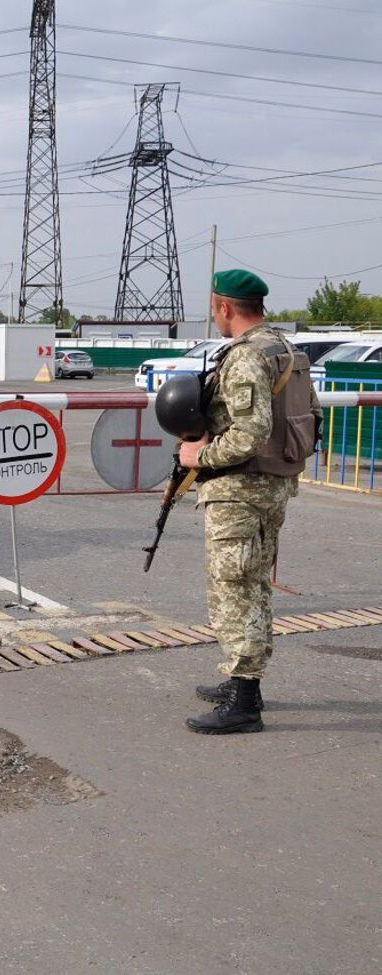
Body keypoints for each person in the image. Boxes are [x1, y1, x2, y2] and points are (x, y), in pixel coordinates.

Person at [178, 270, 320, 734]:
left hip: (241, 489)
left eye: (213, 308)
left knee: (234, 588)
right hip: (272, 485)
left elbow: (249, 433)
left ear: (224, 307)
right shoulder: (284, 348)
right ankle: (244, 682)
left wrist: (201, 455)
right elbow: (311, 415)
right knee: (252, 583)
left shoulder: (246, 357)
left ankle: (243, 700)